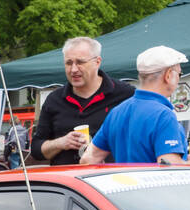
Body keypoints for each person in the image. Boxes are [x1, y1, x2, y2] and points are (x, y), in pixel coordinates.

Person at [82, 47, 190, 166]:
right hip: (152, 185)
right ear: (168, 75)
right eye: (179, 74)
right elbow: (169, 166)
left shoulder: (117, 112)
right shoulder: (163, 115)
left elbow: (87, 160)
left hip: (123, 184)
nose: (179, 79)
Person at [31, 37, 135, 166]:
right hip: (67, 183)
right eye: (69, 63)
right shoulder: (54, 99)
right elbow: (36, 150)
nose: (73, 69)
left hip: (111, 180)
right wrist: (61, 143)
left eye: (80, 62)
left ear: (97, 62)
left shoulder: (125, 94)